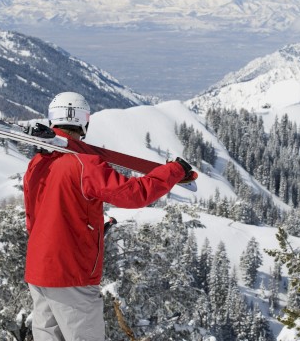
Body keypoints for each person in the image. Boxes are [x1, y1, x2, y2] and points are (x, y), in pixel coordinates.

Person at [23, 92, 194, 341]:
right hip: (72, 273)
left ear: (53, 120)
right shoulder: (84, 164)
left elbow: (34, 218)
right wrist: (173, 171)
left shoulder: (38, 162)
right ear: (84, 122)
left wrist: (86, 228)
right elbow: (133, 194)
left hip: (39, 270)